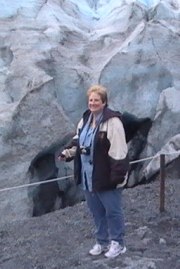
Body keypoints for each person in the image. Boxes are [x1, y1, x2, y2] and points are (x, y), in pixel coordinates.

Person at [58, 85, 129, 258]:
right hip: (88, 176)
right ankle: (102, 242)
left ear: (104, 102)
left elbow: (119, 151)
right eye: (91, 100)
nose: (93, 103)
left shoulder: (113, 123)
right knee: (97, 211)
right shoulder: (85, 120)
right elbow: (78, 141)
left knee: (112, 211)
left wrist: (117, 176)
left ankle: (118, 243)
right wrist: (67, 153)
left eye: (97, 100)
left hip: (106, 175)